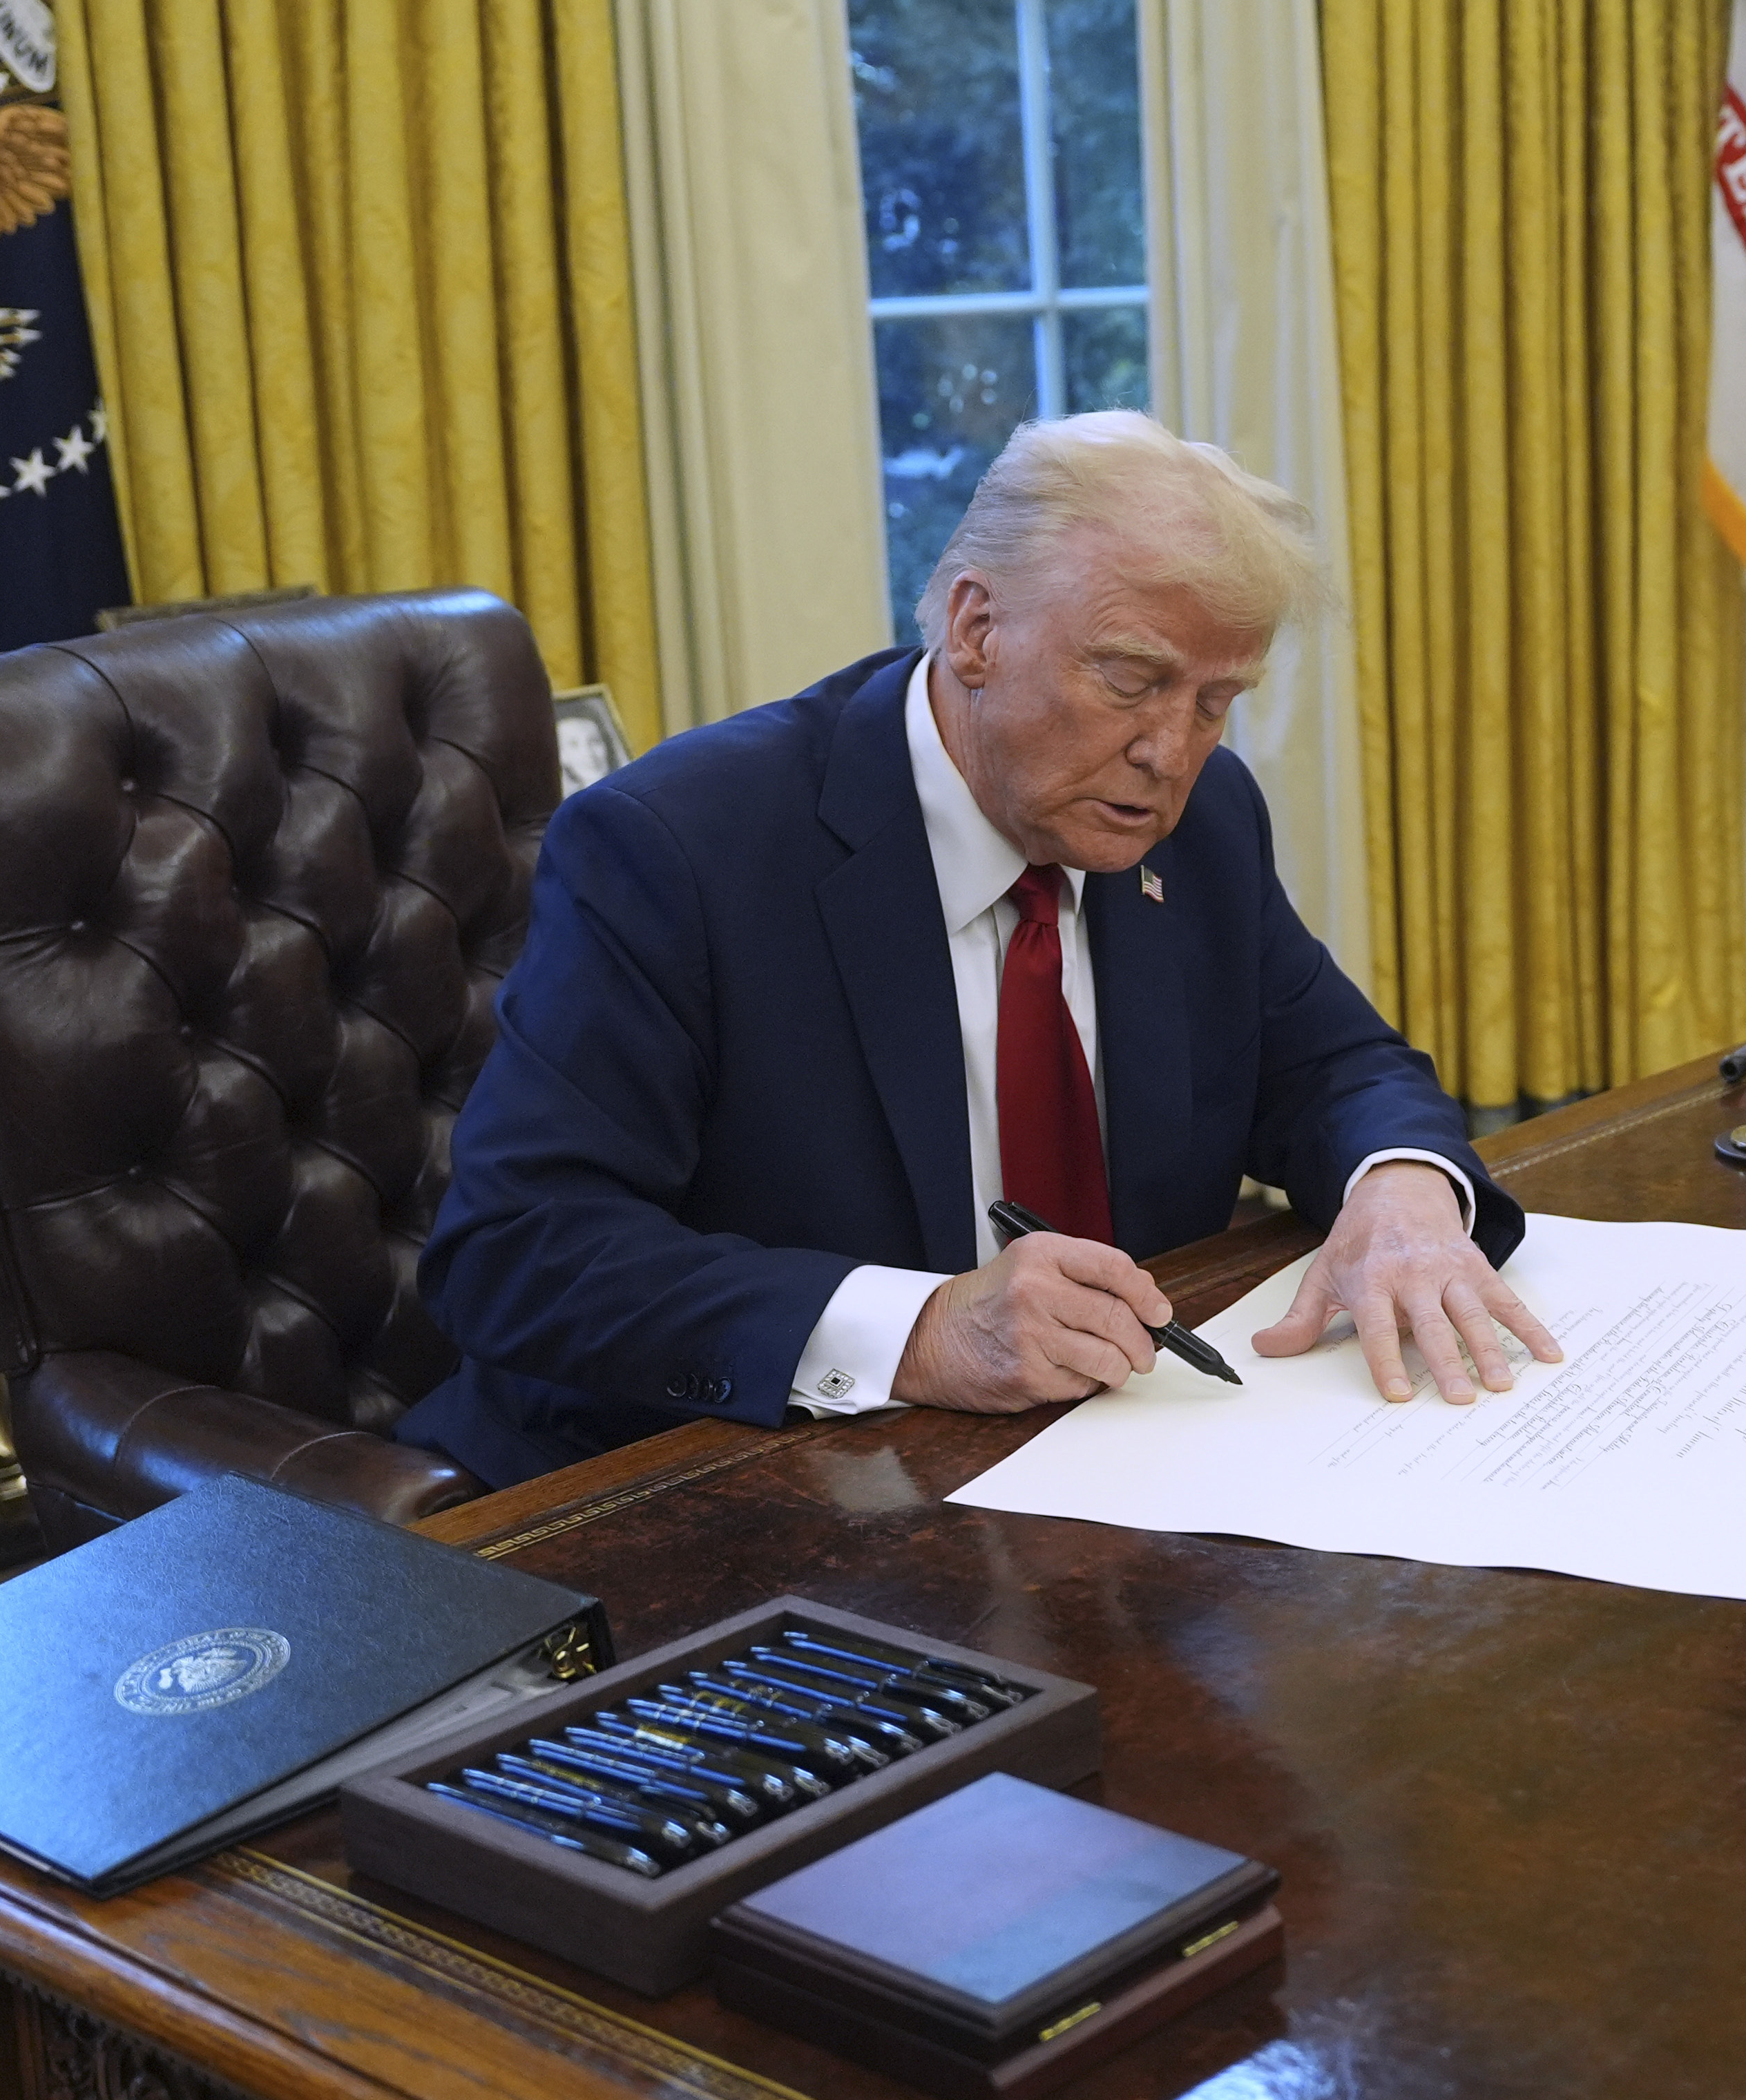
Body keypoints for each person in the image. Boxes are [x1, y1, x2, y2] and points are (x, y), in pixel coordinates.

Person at [397, 412, 1550, 1489]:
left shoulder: (1198, 824)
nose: (1170, 752)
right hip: (723, 1491)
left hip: (1110, 1472)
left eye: (1215, 701)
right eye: (1131, 679)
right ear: (974, 628)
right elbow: (519, 1252)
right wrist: (918, 1331)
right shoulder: (683, 849)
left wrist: (1399, 1191)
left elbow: (1332, 1065)